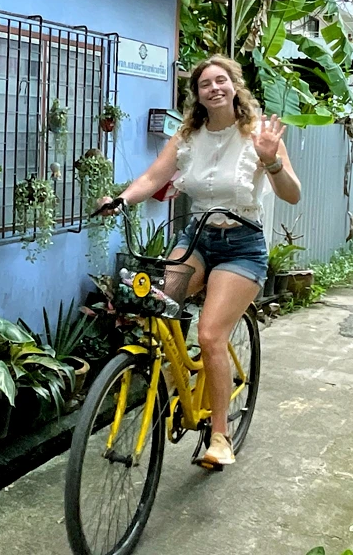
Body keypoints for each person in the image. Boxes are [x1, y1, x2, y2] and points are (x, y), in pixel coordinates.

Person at [99, 54, 301, 467]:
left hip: (241, 245)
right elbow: (153, 178)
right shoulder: (187, 137)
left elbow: (292, 193)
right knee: (158, 309)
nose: (214, 88)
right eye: (205, 83)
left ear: (234, 86)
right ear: (197, 95)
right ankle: (174, 377)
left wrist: (271, 160)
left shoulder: (259, 135)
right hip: (195, 240)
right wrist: (120, 200)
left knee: (210, 335)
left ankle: (221, 436)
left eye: (220, 80)